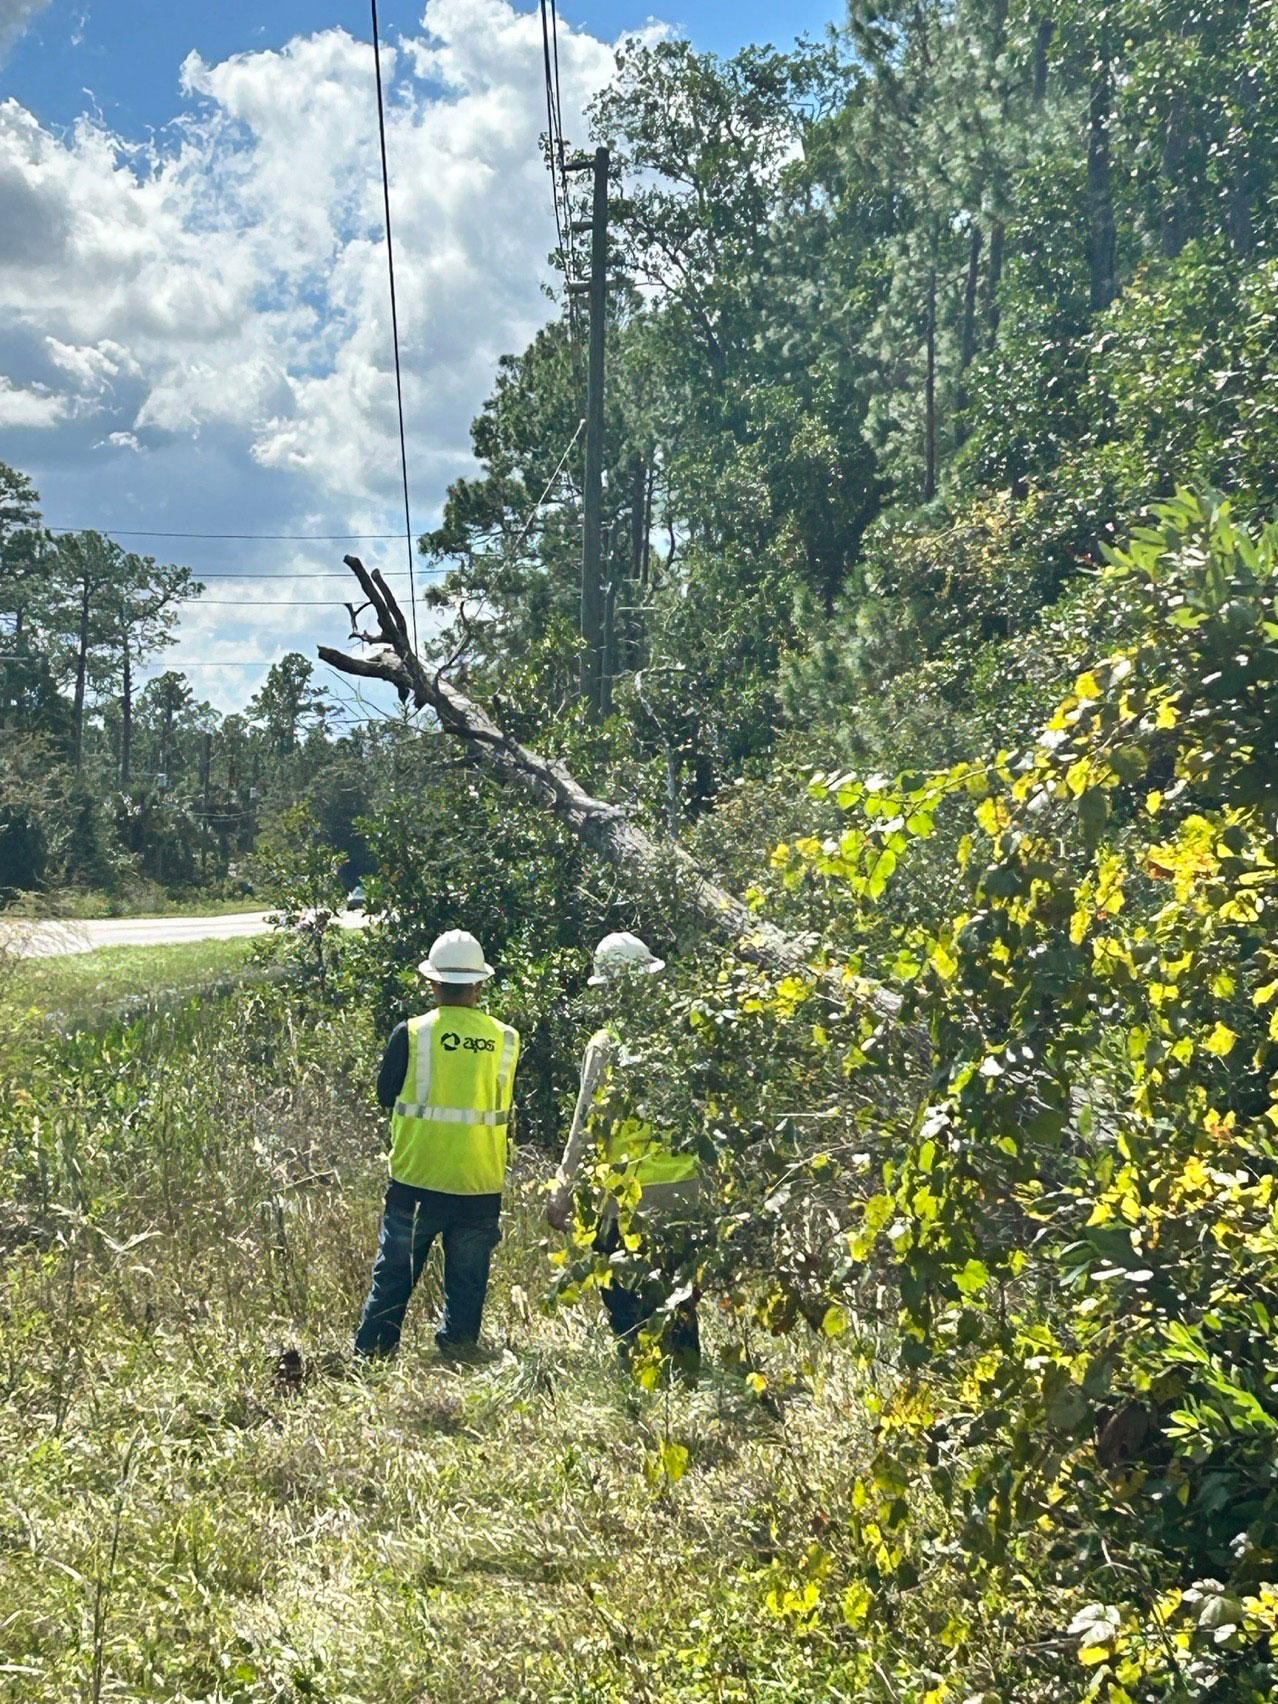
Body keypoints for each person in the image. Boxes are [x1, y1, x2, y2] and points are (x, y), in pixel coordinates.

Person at [355, 929, 520, 1357]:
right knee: (468, 1283)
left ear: (433, 982)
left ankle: (373, 1356)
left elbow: (385, 1095)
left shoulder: (411, 1034)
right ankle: (460, 1353)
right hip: (479, 1182)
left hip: (417, 1180)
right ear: (479, 984)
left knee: (394, 1278)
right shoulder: (506, 1039)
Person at [547, 931, 702, 1372]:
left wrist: (563, 1189)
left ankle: (640, 1379)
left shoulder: (607, 1044)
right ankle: (685, 1378)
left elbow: (587, 1126)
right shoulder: (679, 1037)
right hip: (684, 1191)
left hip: (630, 1195)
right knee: (679, 1296)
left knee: (622, 1293)